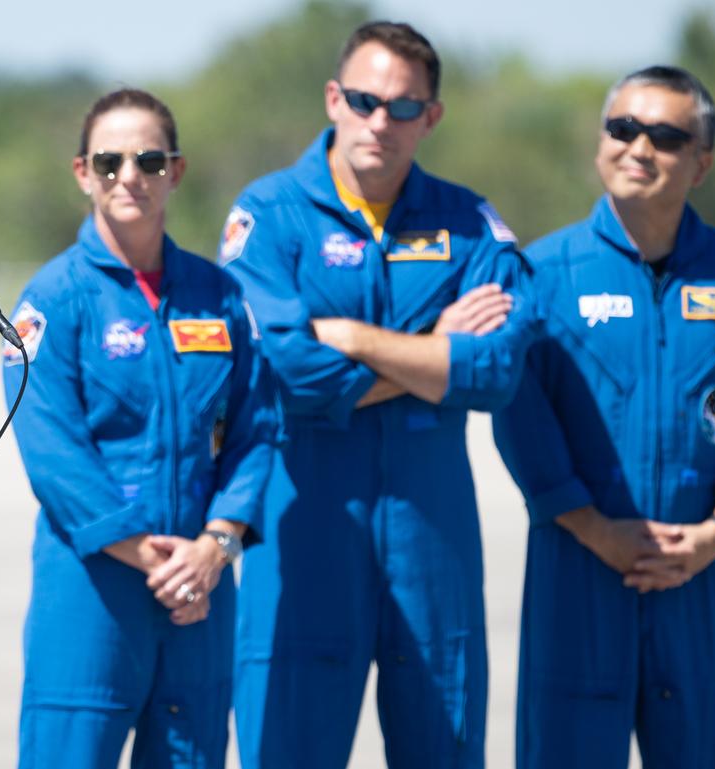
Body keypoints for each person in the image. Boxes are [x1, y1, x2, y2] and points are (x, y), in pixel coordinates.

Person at [218, 21, 538, 769]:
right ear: (333, 99)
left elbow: (495, 371)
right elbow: (282, 372)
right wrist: (434, 355)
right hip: (303, 531)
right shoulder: (268, 216)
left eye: (402, 106)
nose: (378, 121)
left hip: (433, 540)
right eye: (363, 99)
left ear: (431, 117)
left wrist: (354, 338)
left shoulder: (471, 226)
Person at [492, 65, 715, 769]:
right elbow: (519, 413)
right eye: (623, 128)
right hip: (578, 571)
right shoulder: (539, 273)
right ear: (600, 142)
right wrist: (592, 526)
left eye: (666, 136)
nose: (639, 147)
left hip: (695, 573)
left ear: (701, 164)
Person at [2, 88, 279, 768]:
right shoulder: (53, 300)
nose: (130, 175)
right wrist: (158, 562)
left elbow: (257, 429)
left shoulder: (221, 296)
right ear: (82, 173)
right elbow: (53, 452)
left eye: (150, 160)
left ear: (175, 172)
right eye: (110, 160)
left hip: (201, 590)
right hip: (93, 590)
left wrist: (215, 549)